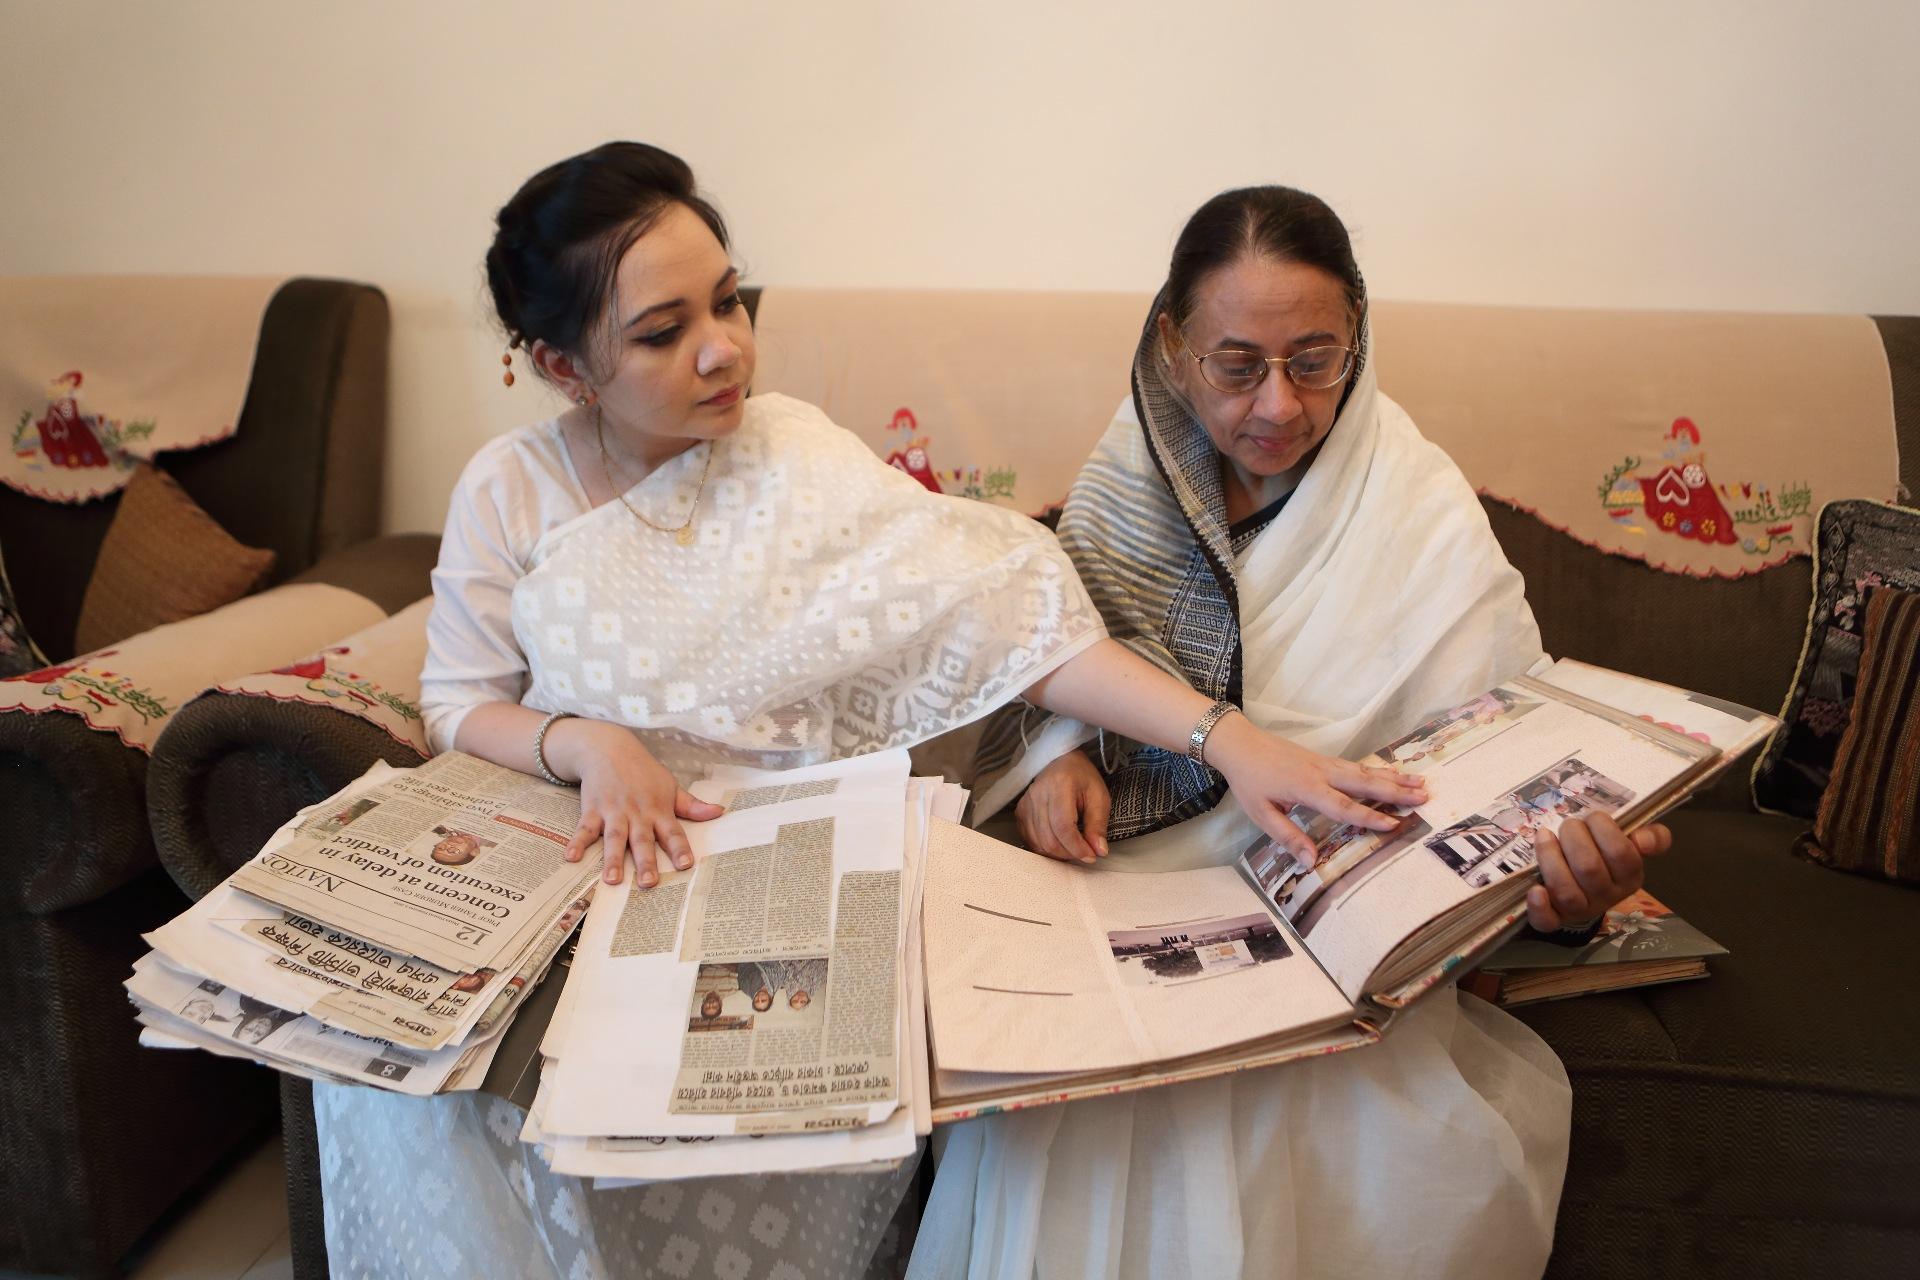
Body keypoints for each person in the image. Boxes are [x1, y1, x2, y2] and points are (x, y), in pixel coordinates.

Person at [311, 144, 1420, 1280]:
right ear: (560, 362)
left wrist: (1226, 740)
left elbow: (1009, 615)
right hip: (593, 857)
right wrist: (583, 741)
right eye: (661, 330)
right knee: (427, 1084)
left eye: (730, 300)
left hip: (779, 883)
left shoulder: (789, 451)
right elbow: (456, 703)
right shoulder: (509, 488)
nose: (723, 348)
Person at [926, 186, 1674, 1278]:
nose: (1278, 404)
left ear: (1357, 339)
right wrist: (1056, 751)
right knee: (1071, 1115)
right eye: (1237, 366)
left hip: (1328, 926)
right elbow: (1049, 653)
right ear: (1174, 349)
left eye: (1314, 360)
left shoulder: (1414, 503)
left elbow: (1499, 760)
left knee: (1313, 1118)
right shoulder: (1129, 471)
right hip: (1123, 893)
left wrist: (1561, 885)